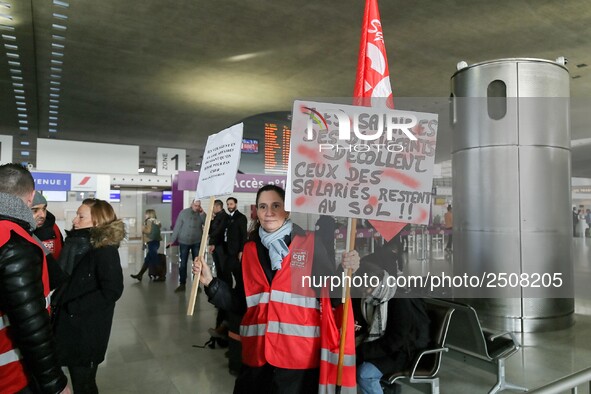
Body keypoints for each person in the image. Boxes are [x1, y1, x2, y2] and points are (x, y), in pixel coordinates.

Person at [192, 184, 360, 393]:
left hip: (298, 360)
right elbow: (241, 302)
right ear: (257, 211)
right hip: (257, 356)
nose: (269, 212)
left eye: (276, 205)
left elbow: (332, 297)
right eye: (263, 206)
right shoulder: (250, 249)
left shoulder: (310, 244)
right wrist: (211, 283)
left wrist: (345, 271)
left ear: (287, 210)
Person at [0, 163, 71, 394]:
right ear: (30, 197)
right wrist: (54, 382)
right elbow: (31, 324)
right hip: (12, 376)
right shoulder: (14, 240)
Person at [52, 198, 125, 394]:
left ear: (97, 221)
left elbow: (113, 290)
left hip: (87, 329)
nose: (74, 220)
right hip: (69, 324)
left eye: (81, 216)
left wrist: (74, 307)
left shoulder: (104, 250)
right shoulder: (75, 245)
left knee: (83, 383)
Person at [355, 274, 430, 394]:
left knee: (365, 374)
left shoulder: (399, 302)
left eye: (369, 287)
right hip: (387, 347)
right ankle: (388, 389)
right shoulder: (373, 300)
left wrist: (362, 351)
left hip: (404, 352)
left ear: (381, 284)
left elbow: (396, 340)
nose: (365, 291)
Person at [223, 197, 248, 374]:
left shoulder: (240, 218)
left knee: (239, 279)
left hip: (236, 253)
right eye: (228, 204)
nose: (229, 206)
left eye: (231, 204)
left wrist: (241, 250)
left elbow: (242, 234)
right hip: (227, 252)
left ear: (236, 204)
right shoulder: (227, 217)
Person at [167, 199, 206, 292]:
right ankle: (182, 284)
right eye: (195, 205)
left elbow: (207, 223)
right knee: (183, 263)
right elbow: (177, 227)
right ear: (191, 204)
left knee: (197, 264)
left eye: (198, 206)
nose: (197, 207)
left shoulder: (201, 214)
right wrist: (172, 240)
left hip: (196, 241)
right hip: (184, 241)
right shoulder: (183, 213)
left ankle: (197, 285)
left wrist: (202, 213)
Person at [208, 199, 230, 337]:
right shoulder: (217, 217)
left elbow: (218, 232)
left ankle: (224, 296)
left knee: (223, 272)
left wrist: (214, 243)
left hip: (221, 247)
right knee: (219, 271)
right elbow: (210, 230)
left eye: (213, 206)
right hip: (216, 247)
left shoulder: (224, 217)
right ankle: (220, 295)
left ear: (218, 206)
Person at [131, 209, 163, 281]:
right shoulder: (156, 221)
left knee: (155, 259)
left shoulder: (148, 221)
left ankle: (162, 276)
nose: (145, 215)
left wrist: (143, 228)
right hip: (156, 242)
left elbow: (148, 231)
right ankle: (140, 275)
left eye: (146, 214)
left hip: (151, 242)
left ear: (149, 214)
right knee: (147, 260)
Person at [32, 191, 64, 260]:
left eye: (44, 209)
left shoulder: (53, 227)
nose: (43, 215)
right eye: (35, 210)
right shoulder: (13, 230)